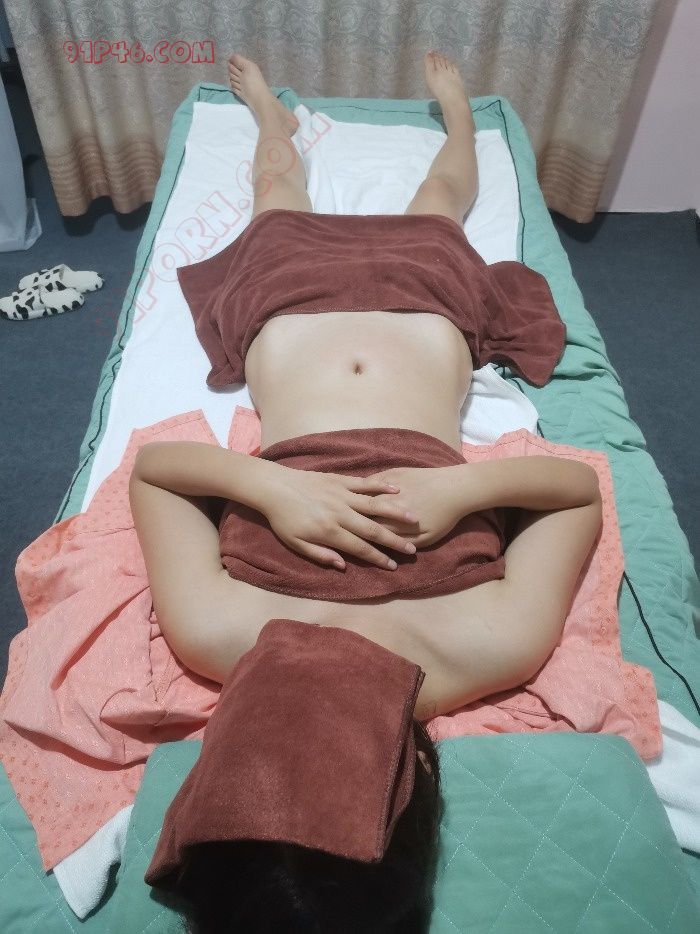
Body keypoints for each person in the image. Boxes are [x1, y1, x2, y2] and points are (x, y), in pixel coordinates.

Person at [130, 51, 602, 932]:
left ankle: (271, 115)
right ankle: (457, 119)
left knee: (275, 189)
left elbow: (155, 472)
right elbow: (574, 491)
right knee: (438, 205)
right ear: (409, 770)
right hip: (423, 319)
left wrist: (268, 486)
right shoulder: (481, 644)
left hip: (290, 314)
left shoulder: (222, 635)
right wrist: (461, 493)